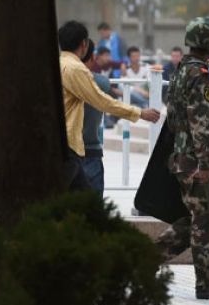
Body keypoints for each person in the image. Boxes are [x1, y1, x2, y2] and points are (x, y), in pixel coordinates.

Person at [155, 16, 209, 300]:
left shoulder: (181, 71)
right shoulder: (200, 76)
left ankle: (142, 261)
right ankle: (206, 283)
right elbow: (200, 123)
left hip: (183, 156)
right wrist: (205, 163)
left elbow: (175, 117)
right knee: (208, 221)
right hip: (198, 161)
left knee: (195, 220)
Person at [58, 21, 160, 190]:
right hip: (70, 146)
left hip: (67, 145)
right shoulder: (76, 69)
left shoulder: (58, 64)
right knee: (84, 203)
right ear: (84, 44)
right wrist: (139, 113)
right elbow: (102, 101)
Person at [81, 40, 111, 195]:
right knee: (93, 210)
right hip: (91, 150)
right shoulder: (101, 82)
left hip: (64, 154)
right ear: (92, 57)